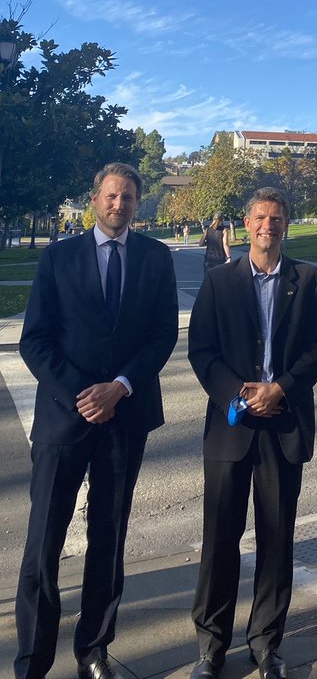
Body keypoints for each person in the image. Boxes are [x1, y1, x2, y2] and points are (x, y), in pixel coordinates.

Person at [15, 162, 179, 679]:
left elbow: (162, 334)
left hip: (124, 417)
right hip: (65, 421)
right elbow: (34, 340)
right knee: (44, 541)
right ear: (95, 198)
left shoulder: (155, 258)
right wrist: (80, 395)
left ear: (136, 202)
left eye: (129, 197)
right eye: (112, 196)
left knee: (109, 537)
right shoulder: (59, 258)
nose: (120, 204)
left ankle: (93, 650)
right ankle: (32, 660)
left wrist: (120, 387)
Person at [187, 187, 317, 679]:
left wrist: (282, 389)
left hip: (282, 426)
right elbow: (201, 350)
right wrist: (238, 393)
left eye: (276, 217)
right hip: (232, 429)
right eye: (259, 217)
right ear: (245, 225)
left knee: (276, 540)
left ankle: (267, 643)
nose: (267, 225)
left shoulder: (310, 281)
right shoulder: (219, 282)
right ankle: (210, 646)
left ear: (286, 224)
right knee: (220, 538)